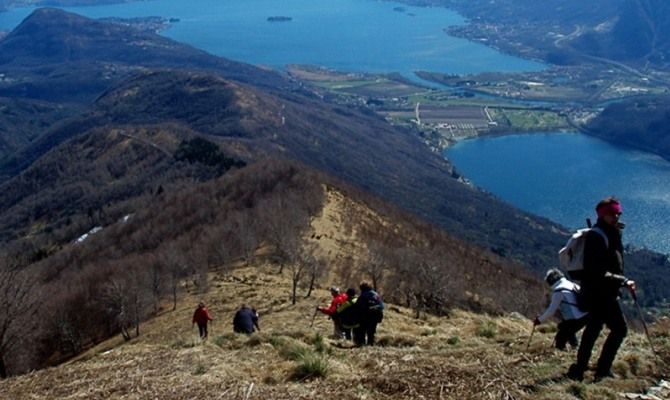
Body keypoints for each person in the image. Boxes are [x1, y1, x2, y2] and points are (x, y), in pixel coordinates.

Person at [567, 197, 636, 381]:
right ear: (602, 215)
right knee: (619, 329)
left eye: (618, 213)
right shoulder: (597, 237)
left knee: (593, 328)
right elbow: (596, 271)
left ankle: (580, 369)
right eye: (612, 214)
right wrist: (623, 281)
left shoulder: (609, 233)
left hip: (598, 291)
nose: (616, 217)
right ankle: (602, 370)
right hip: (600, 292)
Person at [534, 268, 588, 350]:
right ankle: (575, 347)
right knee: (564, 327)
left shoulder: (559, 291)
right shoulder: (572, 285)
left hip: (575, 318)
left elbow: (551, 311)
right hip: (585, 315)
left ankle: (567, 351)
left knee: (560, 339)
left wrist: (539, 320)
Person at [353, 280, 384, 346]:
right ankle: (371, 344)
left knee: (362, 330)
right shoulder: (376, 295)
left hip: (366, 316)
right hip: (376, 316)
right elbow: (382, 306)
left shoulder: (363, 296)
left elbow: (358, 307)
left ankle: (361, 344)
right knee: (371, 332)